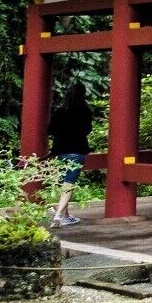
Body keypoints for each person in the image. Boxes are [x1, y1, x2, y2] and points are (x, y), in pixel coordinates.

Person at [47, 83, 92, 228]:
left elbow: (50, 130)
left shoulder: (59, 111)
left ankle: (65, 215)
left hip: (60, 150)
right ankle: (59, 215)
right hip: (77, 150)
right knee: (69, 184)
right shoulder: (85, 111)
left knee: (63, 184)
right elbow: (87, 130)